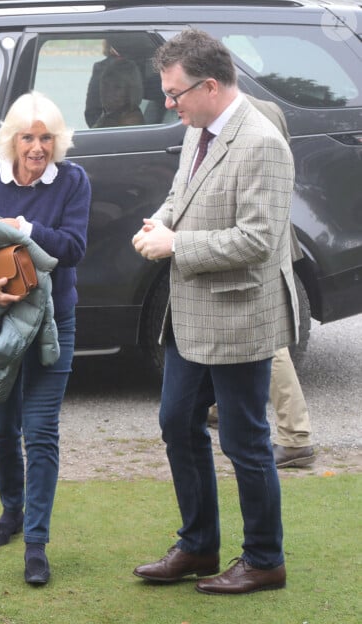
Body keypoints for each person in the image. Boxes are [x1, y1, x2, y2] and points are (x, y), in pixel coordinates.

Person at [131, 30, 298, 595]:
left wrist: (176, 247)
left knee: (244, 440)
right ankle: (200, 546)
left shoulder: (262, 144)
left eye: (175, 94)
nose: (169, 104)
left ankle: (264, 559)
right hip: (191, 314)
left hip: (239, 313)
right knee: (176, 422)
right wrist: (160, 222)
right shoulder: (198, 131)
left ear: (208, 85)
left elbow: (256, 240)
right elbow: (182, 196)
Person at [0, 91, 91, 585]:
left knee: (41, 432)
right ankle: (11, 511)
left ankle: (36, 542)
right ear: (12, 139)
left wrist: (24, 228)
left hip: (54, 320)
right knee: (1, 429)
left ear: (57, 141)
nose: (37, 147)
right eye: (28, 137)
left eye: (46, 137)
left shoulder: (72, 180)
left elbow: (72, 249)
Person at [207, 95, 315, 469]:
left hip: (253, 245)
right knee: (225, 325)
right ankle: (221, 404)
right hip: (265, 238)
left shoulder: (251, 118)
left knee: (269, 342)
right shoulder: (267, 108)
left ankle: (296, 437)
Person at [91, 58, 145, 128]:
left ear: (130, 91)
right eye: (105, 85)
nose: (108, 92)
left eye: (117, 87)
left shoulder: (130, 122)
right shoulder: (110, 114)